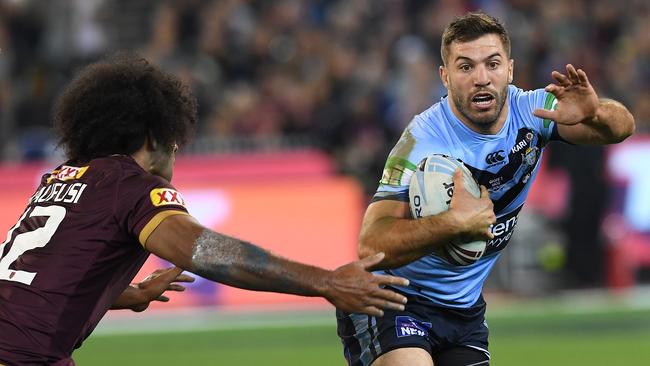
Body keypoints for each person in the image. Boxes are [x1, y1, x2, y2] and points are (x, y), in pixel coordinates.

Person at [0, 54, 411, 365]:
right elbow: (205, 252)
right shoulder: (132, 187)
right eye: (176, 142)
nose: (176, 155)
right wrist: (325, 281)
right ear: (153, 136)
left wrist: (132, 293)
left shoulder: (63, 179)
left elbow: (40, 280)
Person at [336, 12, 635, 366]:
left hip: (464, 311)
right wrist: (452, 223)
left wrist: (595, 113)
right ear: (445, 77)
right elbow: (370, 244)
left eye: (492, 64)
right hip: (393, 299)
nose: (481, 78)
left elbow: (622, 127)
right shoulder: (421, 142)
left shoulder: (534, 110)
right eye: (465, 67)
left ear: (509, 70)